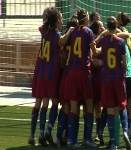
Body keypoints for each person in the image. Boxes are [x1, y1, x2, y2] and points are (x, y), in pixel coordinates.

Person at [28, 6, 72, 147]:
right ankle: (46, 131)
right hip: (50, 73)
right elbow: (63, 40)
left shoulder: (44, 31)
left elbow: (42, 28)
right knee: (52, 102)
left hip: (39, 71)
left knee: (39, 102)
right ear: (56, 21)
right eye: (60, 19)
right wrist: (71, 30)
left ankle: (34, 135)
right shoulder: (56, 35)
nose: (62, 21)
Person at [57, 9, 99, 149]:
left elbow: (62, 43)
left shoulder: (73, 31)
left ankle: (71, 140)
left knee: (73, 106)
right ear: (86, 18)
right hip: (83, 70)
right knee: (89, 104)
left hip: (72, 71)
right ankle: (87, 138)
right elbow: (94, 52)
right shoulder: (88, 32)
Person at [91, 16, 131, 150]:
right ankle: (125, 131)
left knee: (109, 110)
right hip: (118, 78)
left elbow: (95, 50)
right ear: (116, 27)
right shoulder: (120, 42)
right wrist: (123, 71)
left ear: (107, 28)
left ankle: (113, 141)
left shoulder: (104, 41)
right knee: (122, 106)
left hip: (106, 79)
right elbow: (124, 64)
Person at [54, 17, 78, 147]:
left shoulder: (64, 41)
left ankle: (61, 136)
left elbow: (62, 55)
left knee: (66, 107)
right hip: (71, 75)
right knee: (69, 107)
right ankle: (64, 137)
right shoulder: (76, 41)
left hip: (64, 75)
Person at [117, 11, 131, 146]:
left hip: (125, 73)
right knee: (128, 104)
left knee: (120, 106)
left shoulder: (120, 32)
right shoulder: (126, 31)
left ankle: (124, 130)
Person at [90, 20, 105, 144]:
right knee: (98, 106)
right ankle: (98, 132)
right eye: (101, 26)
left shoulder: (100, 40)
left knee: (98, 107)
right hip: (97, 77)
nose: (104, 28)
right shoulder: (97, 41)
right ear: (98, 29)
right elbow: (93, 60)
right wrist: (100, 62)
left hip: (98, 77)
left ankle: (97, 133)